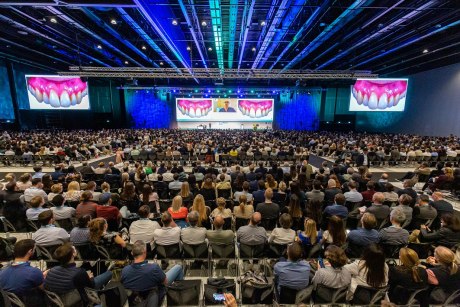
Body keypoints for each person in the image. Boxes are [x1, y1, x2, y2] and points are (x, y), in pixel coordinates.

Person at [44, 243, 112, 304]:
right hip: (76, 301)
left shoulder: (51, 271)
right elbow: (90, 286)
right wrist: (90, 278)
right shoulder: (79, 273)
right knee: (109, 273)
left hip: (58, 302)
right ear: (73, 254)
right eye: (73, 248)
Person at [0, 239, 45, 306]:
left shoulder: (2, 272)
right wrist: (42, 275)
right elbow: (44, 289)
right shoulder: (34, 272)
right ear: (30, 251)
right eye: (34, 249)